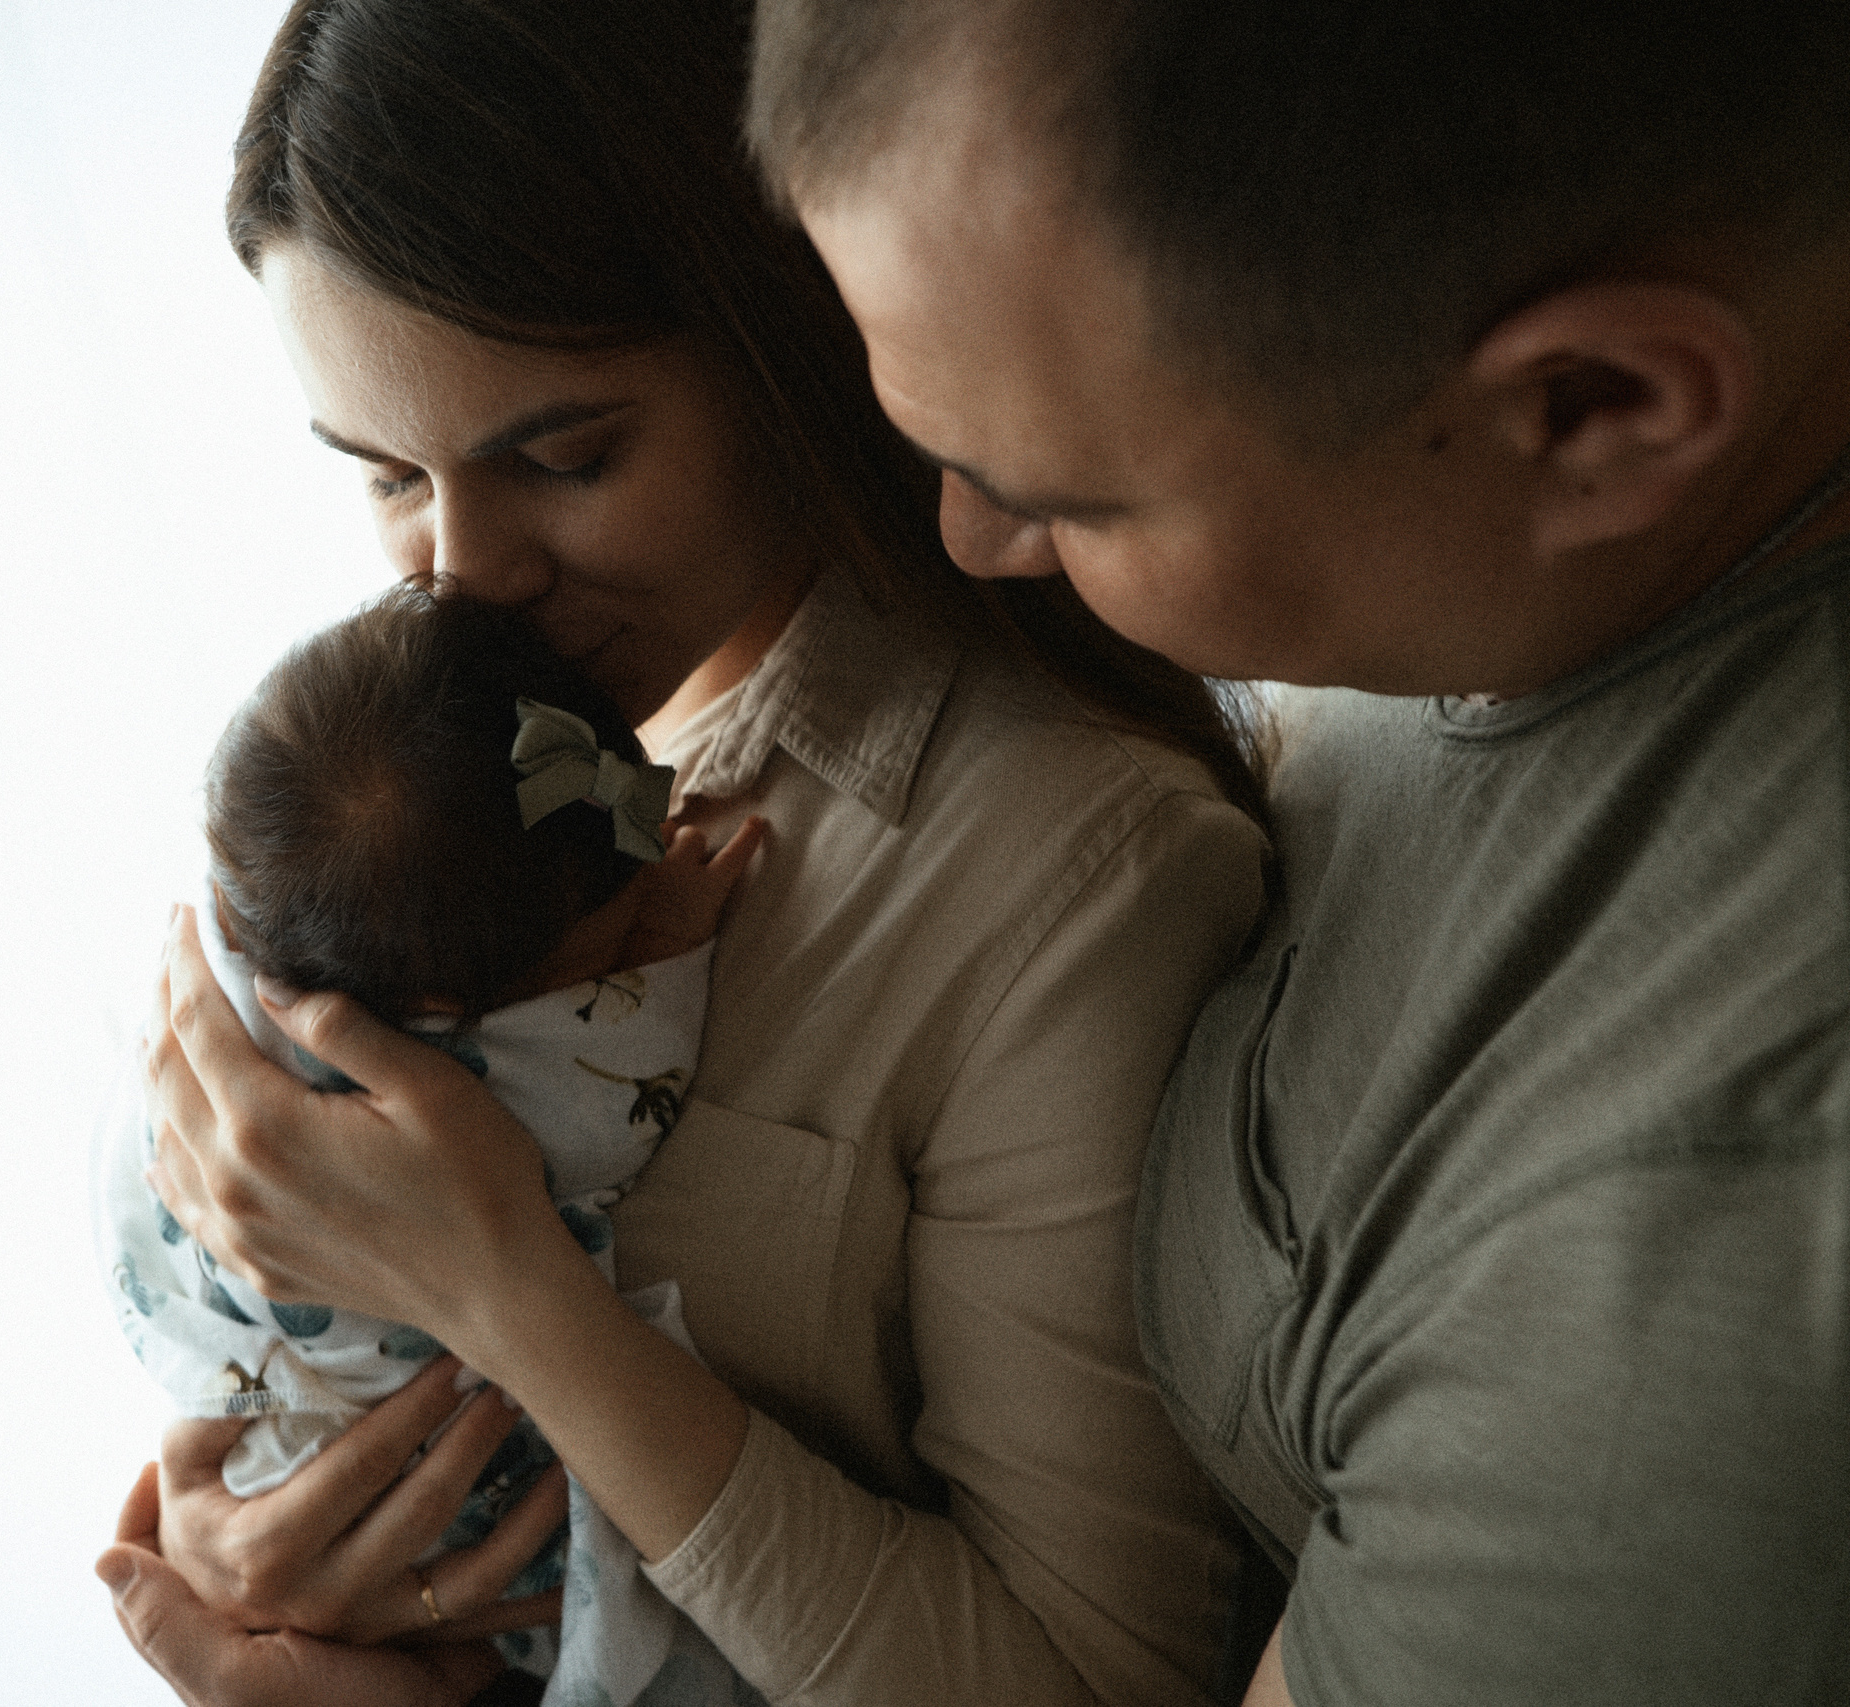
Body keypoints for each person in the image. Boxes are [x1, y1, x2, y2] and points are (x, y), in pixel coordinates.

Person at [94, 1, 1274, 1704]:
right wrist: (237, 1512)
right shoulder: (427, 768)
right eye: (388, 475)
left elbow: (1093, 1679)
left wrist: (508, 1291)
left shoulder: (1067, 875)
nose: (461, 574)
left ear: (788, 330)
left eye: (564, 456)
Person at [744, 2, 1850, 1704]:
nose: (971, 539)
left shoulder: (1686, 1288)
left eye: (1069, 497)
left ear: (1597, 407)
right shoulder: (1488, 505)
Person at [100, 585, 764, 1704]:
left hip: (263, 1454)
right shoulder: (454, 1081)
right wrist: (677, 944)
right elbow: (610, 1115)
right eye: (608, 948)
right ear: (447, 1020)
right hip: (386, 1464)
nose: (654, 861)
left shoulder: (261, 927)